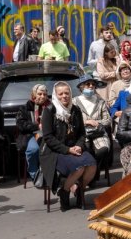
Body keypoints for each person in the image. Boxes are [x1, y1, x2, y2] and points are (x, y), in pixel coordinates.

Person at [39, 81, 97, 210]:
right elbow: (48, 138)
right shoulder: (49, 111)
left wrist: (79, 146)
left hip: (75, 148)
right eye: (60, 94)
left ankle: (79, 191)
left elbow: (82, 133)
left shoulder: (75, 109)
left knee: (92, 165)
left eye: (67, 93)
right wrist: (67, 150)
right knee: (79, 168)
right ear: (55, 95)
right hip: (56, 151)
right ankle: (64, 191)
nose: (64, 96)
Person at [72, 74, 112, 171]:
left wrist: (97, 122)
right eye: (87, 84)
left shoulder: (100, 101)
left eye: (93, 84)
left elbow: (108, 120)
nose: (91, 86)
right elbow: (72, 120)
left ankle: (95, 170)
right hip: (82, 134)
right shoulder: (74, 102)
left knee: (103, 150)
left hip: (99, 133)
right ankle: (91, 174)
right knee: (86, 151)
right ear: (81, 86)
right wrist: (85, 122)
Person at [16, 84, 50, 183]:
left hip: (48, 134)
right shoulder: (25, 108)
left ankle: (49, 173)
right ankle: (34, 174)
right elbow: (21, 124)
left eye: (44, 94)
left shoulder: (51, 107)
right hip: (30, 134)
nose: (42, 96)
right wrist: (36, 126)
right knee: (33, 150)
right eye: (39, 94)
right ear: (34, 94)